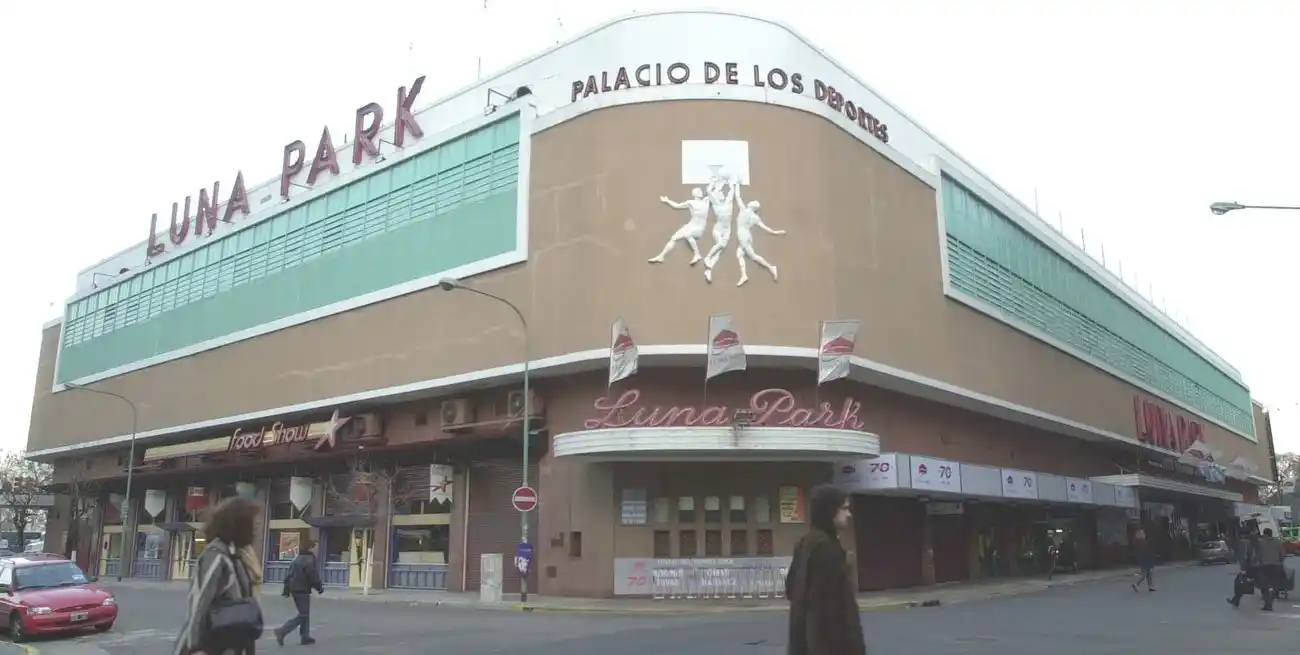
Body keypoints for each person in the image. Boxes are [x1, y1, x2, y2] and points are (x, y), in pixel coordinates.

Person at [174, 496, 264, 655]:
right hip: (211, 646)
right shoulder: (216, 555)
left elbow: (248, 602)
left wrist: (255, 576)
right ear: (239, 523)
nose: (257, 525)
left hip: (231, 643)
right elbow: (200, 603)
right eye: (253, 520)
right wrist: (195, 646)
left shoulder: (237, 555)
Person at [785, 484, 866, 655]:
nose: (849, 514)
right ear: (829, 511)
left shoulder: (804, 544)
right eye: (844, 508)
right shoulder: (827, 550)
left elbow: (791, 589)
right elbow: (827, 615)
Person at [274, 539, 324, 646]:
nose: (318, 550)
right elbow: (312, 575)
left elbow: (289, 575)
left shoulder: (298, 557)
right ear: (311, 547)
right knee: (304, 614)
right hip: (301, 589)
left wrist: (286, 589)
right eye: (316, 547)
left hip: (295, 588)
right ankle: (282, 631)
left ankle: (305, 636)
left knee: (304, 613)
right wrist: (319, 587)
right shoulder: (309, 559)